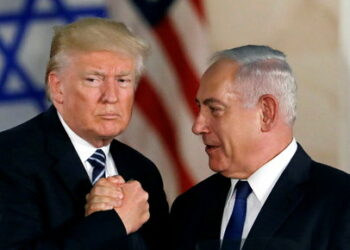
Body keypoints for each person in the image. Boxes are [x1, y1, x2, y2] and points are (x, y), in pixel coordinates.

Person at [0, 18, 169, 250]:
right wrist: (110, 224)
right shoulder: (9, 157)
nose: (111, 96)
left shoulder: (142, 170)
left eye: (122, 80)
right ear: (58, 87)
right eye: (93, 80)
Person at [170, 45, 350, 250]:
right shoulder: (189, 207)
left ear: (266, 112)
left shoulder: (341, 204)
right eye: (199, 108)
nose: (198, 126)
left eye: (215, 109)